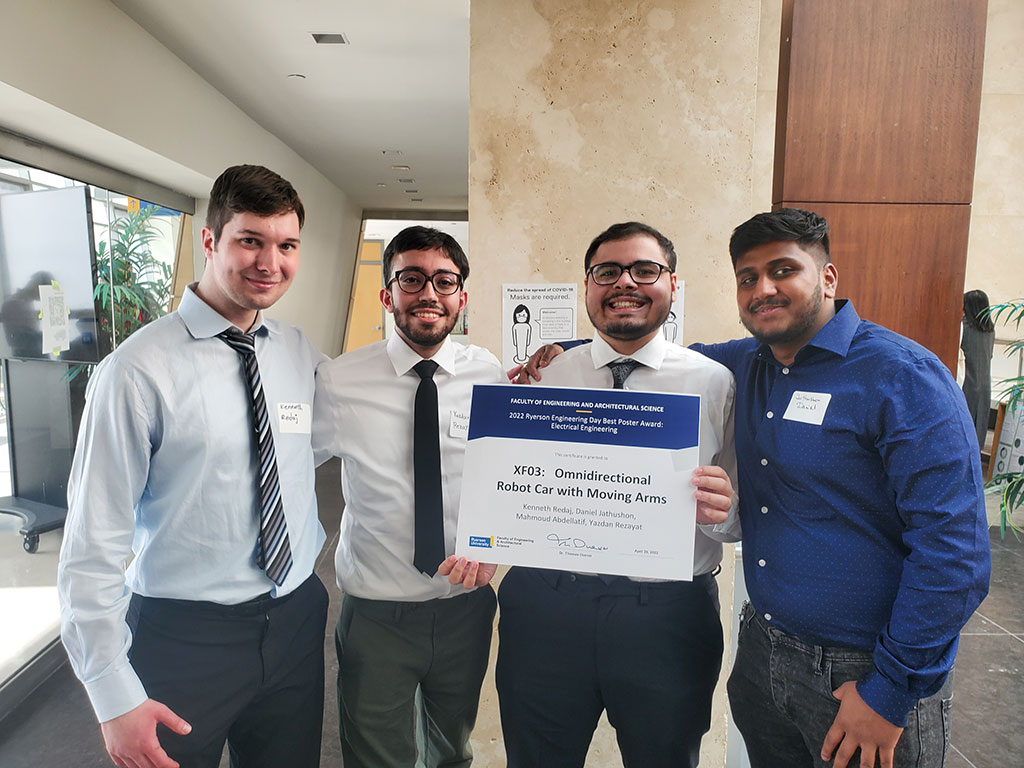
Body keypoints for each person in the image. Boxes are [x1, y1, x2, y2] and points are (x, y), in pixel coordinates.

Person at [520, 208, 991, 768]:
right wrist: (561, 352)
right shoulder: (748, 360)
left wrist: (890, 691)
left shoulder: (903, 376)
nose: (763, 289)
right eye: (748, 277)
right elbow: (644, 356)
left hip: (865, 671)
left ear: (829, 278)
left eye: (783, 270)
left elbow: (955, 554)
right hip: (764, 656)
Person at [58, 165, 329, 768]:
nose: (270, 262)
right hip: (184, 637)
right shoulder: (135, 372)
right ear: (210, 241)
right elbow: (91, 546)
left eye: (286, 246)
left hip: (294, 619)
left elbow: (367, 419)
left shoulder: (298, 352)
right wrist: (110, 694)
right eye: (250, 240)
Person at [497, 222, 739, 768]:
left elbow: (734, 519)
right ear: (587, 286)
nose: (624, 283)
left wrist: (722, 514)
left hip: (667, 618)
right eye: (607, 272)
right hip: (546, 610)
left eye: (644, 270)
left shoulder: (716, 382)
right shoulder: (543, 378)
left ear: (672, 285)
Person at [312, 225, 503, 768]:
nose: (429, 294)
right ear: (387, 293)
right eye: (412, 279)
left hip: (465, 606)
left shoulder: (487, 373)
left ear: (461, 299)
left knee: (453, 752)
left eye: (445, 282)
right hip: (378, 613)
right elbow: (285, 465)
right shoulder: (339, 381)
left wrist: (498, 543)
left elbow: (510, 476)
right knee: (378, 757)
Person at [961, 289, 995, 450]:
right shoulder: (990, 330)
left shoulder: (963, 328)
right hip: (985, 387)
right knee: (978, 432)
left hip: (967, 385)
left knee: (962, 432)